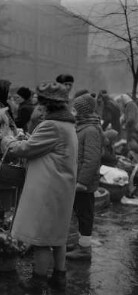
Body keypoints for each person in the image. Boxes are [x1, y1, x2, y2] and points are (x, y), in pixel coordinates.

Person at [1, 82, 78, 293]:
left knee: (42, 239)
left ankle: (38, 281)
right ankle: (59, 277)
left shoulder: (51, 125)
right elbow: (43, 146)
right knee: (57, 236)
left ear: (47, 104)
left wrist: (5, 141)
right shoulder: (68, 124)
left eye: (41, 102)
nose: (39, 106)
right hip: (61, 187)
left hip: (48, 188)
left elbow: (26, 149)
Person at [66, 93, 103, 261]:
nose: (72, 111)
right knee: (80, 212)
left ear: (83, 112)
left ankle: (85, 249)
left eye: (75, 109)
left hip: (84, 182)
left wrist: (82, 182)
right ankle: (81, 243)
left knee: (85, 214)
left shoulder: (90, 130)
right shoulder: (83, 126)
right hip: (78, 178)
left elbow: (92, 159)